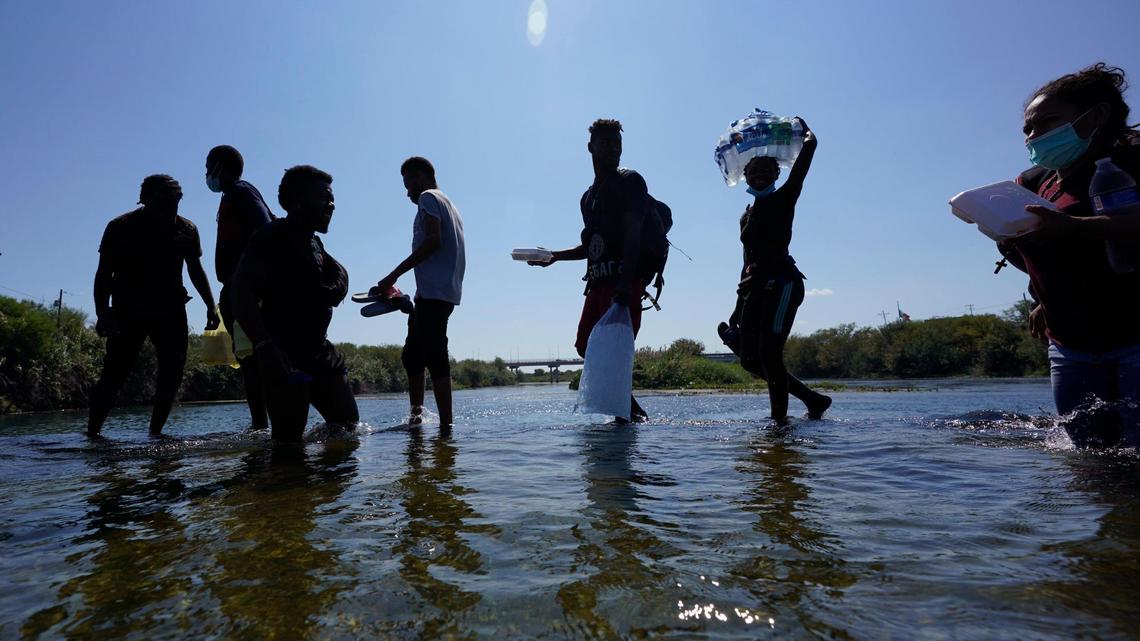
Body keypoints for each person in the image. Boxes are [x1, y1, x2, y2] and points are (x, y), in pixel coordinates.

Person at [997, 63, 1140, 446]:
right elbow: (1046, 251)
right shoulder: (1034, 182)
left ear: (1096, 116)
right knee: (1088, 459)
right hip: (1070, 343)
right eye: (1027, 128)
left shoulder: (1130, 164)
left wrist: (1072, 225)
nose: (1033, 136)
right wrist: (1040, 296)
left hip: (1132, 335)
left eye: (1046, 122)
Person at [529, 118, 652, 422]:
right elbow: (590, 247)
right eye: (605, 144)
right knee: (586, 347)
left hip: (623, 283)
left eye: (616, 145)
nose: (612, 150)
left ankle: (630, 418)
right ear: (590, 147)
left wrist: (625, 284)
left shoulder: (630, 182)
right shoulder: (588, 197)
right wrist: (554, 257)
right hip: (596, 285)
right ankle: (632, 414)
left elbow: (634, 233)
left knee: (614, 351)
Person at [229, 165, 358, 442]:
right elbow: (239, 293)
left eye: (332, 198)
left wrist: (340, 281)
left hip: (319, 351)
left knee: (347, 430)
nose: (332, 205)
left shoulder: (314, 242)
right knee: (288, 446)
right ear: (298, 201)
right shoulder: (271, 238)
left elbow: (337, 277)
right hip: (284, 354)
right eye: (324, 198)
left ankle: (320, 487)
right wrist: (264, 346)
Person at [717, 118, 832, 425]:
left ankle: (778, 425)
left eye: (767, 171)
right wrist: (737, 309)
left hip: (782, 285)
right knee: (751, 360)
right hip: (756, 288)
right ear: (746, 176)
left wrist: (808, 135)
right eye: (754, 172)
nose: (760, 176)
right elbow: (747, 263)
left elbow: (806, 158)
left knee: (770, 355)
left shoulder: (784, 198)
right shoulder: (746, 216)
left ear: (776, 174)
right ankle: (813, 399)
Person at [87, 175, 220, 437]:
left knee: (172, 372)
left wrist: (210, 305)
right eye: (163, 202)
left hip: (170, 310)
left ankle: (155, 434)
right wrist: (102, 314)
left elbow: (195, 269)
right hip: (128, 311)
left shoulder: (187, 229)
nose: (170, 208)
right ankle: (93, 434)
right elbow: (103, 275)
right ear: (145, 200)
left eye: (175, 202)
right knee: (114, 373)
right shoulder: (120, 227)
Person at [374, 157, 466, 428]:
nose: (407, 193)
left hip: (436, 293)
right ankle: (416, 418)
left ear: (419, 179)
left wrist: (393, 274)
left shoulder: (427, 198)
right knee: (412, 355)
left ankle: (446, 428)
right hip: (434, 293)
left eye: (408, 185)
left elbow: (433, 241)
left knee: (435, 353)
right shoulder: (448, 202)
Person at [206, 144, 273, 430]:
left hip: (247, 289)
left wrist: (244, 279)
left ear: (221, 167)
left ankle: (263, 426)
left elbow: (264, 229)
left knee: (254, 359)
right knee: (249, 358)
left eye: (209, 166)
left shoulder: (241, 192)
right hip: (238, 288)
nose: (207, 173)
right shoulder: (232, 195)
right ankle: (261, 425)